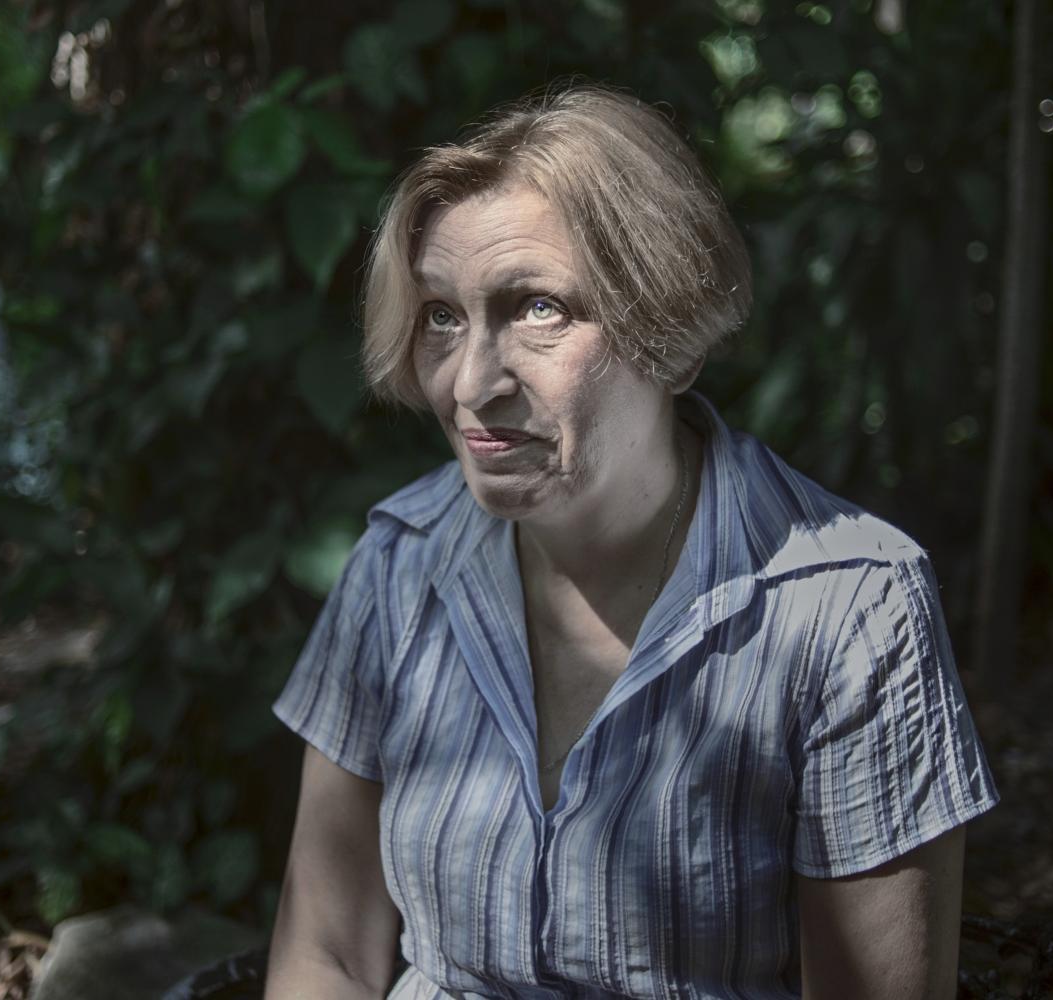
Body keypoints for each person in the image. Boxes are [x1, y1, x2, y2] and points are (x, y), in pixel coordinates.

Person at [262, 82, 999, 1000]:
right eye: (443, 315)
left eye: (538, 308)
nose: (470, 386)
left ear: (673, 336)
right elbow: (325, 953)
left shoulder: (850, 607)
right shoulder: (399, 564)